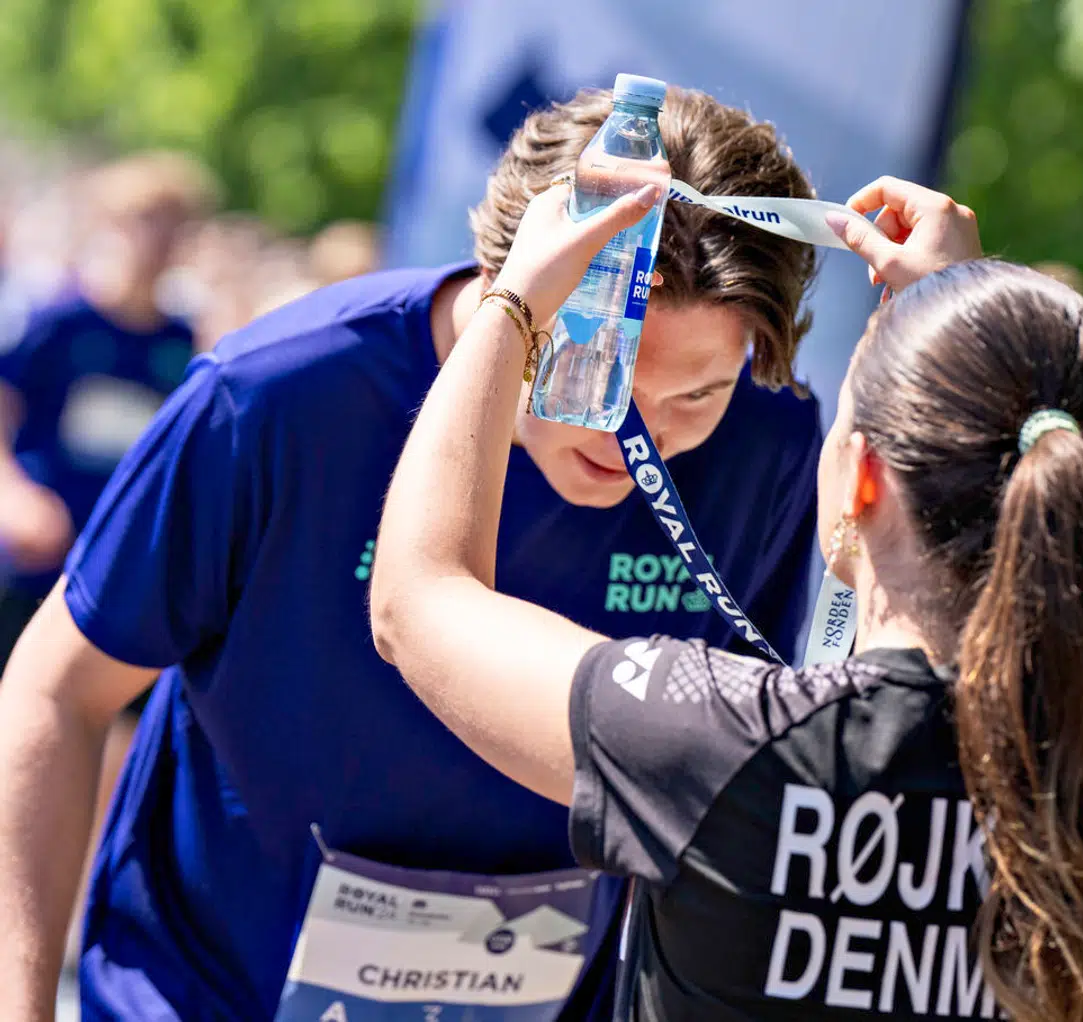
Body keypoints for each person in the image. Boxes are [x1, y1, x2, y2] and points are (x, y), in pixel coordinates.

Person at [0, 87, 824, 1021]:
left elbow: (710, 795)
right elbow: (58, 689)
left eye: (696, 398)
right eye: (600, 374)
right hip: (211, 995)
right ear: (512, 277)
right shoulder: (279, 396)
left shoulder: (769, 440)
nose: (637, 441)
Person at [369, 174, 1083, 1021]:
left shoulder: (723, 743)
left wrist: (517, 300)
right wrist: (982, 337)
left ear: (860, 476)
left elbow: (417, 600)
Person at [0, 151, 217, 666]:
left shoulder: (181, 340)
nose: (159, 240)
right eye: (146, 220)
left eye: (174, 225)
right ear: (112, 225)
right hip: (36, 545)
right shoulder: (59, 319)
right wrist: (14, 498)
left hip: (114, 554)